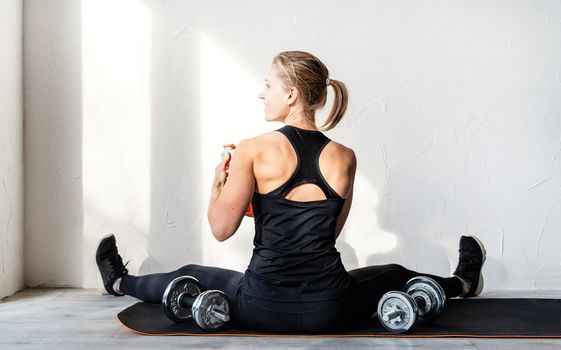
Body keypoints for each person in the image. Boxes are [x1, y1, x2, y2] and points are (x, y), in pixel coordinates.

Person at [96, 51, 486, 333]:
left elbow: (220, 229)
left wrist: (218, 184)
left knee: (190, 273)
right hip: (332, 310)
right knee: (394, 273)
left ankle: (118, 282)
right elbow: (324, 235)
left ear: (292, 95)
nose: (261, 94)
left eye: (268, 85)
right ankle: (465, 282)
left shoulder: (252, 149)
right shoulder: (346, 157)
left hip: (260, 307)